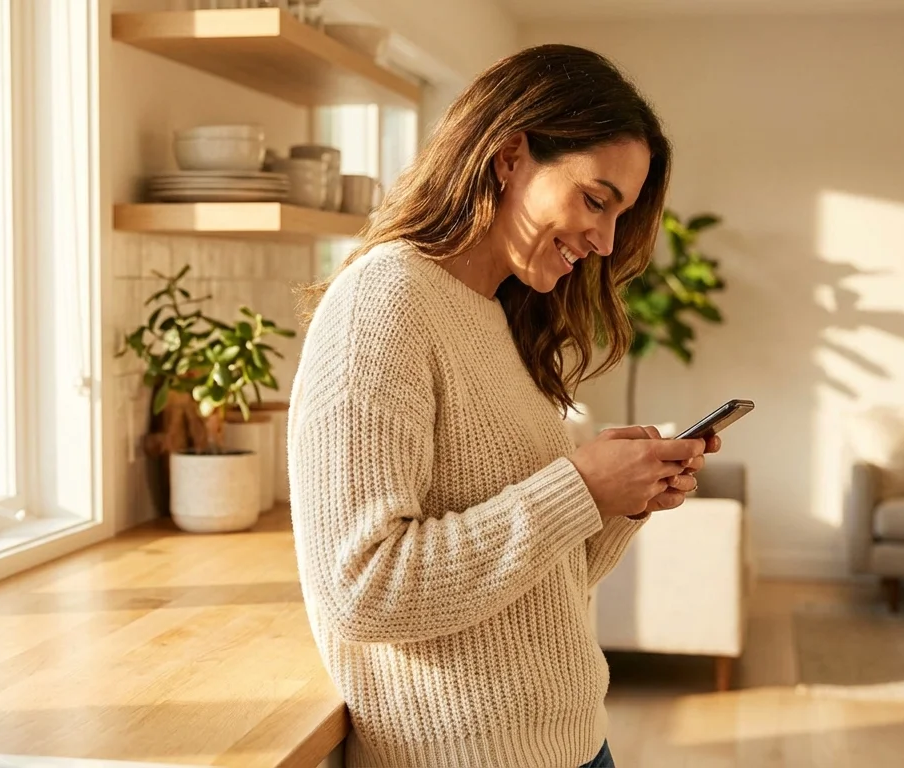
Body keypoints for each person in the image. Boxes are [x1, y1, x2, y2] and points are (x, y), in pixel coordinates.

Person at [286, 43, 722, 768]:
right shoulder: (383, 302)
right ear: (510, 157)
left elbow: (538, 588)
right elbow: (362, 589)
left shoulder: (497, 315)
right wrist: (578, 487)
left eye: (621, 216)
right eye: (595, 200)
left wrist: (619, 501)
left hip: (574, 743)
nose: (607, 241)